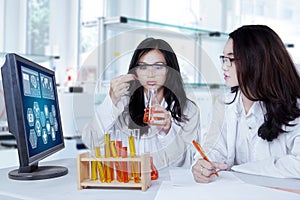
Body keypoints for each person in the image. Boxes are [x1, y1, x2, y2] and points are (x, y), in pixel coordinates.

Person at [192, 25, 300, 183]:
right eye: (223, 58)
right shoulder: (224, 104)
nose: (224, 66)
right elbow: (213, 149)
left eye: (231, 59)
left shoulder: (293, 108)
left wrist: (240, 169)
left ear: (257, 60)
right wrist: (202, 165)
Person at [82, 37, 200, 170]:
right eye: (143, 67)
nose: (150, 74)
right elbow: (91, 141)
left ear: (170, 70)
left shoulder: (188, 110)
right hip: (131, 184)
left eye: (158, 66)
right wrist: (111, 101)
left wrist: (168, 132)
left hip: (167, 187)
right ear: (135, 71)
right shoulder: (122, 103)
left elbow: (184, 165)